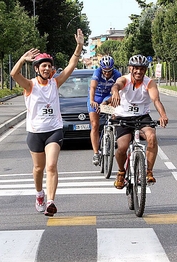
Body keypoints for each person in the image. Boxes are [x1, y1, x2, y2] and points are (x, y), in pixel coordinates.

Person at [10, 29, 84, 216]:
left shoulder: (55, 83)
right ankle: (39, 194)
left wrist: (79, 46)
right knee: (38, 168)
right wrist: (22, 59)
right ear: (36, 69)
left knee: (51, 166)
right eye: (42, 66)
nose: (46, 69)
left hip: (54, 130)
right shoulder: (30, 85)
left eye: (48, 66)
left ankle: (50, 201)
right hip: (35, 132)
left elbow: (71, 65)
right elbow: (14, 74)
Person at [109, 54, 168, 188]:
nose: (138, 71)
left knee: (152, 137)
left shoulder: (149, 82)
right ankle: (121, 172)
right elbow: (116, 85)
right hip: (123, 117)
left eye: (142, 69)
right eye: (135, 68)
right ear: (130, 68)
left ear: (145, 70)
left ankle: (148, 172)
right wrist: (116, 92)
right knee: (122, 147)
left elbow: (156, 100)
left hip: (142, 117)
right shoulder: (124, 79)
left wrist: (163, 115)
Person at [88, 55, 122, 165]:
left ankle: (110, 128)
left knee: (114, 107)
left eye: (109, 71)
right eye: (105, 71)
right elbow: (93, 87)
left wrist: (109, 105)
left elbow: (119, 91)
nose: (107, 73)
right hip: (96, 96)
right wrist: (92, 100)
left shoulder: (117, 75)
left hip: (107, 96)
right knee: (94, 124)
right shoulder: (97, 72)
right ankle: (96, 153)